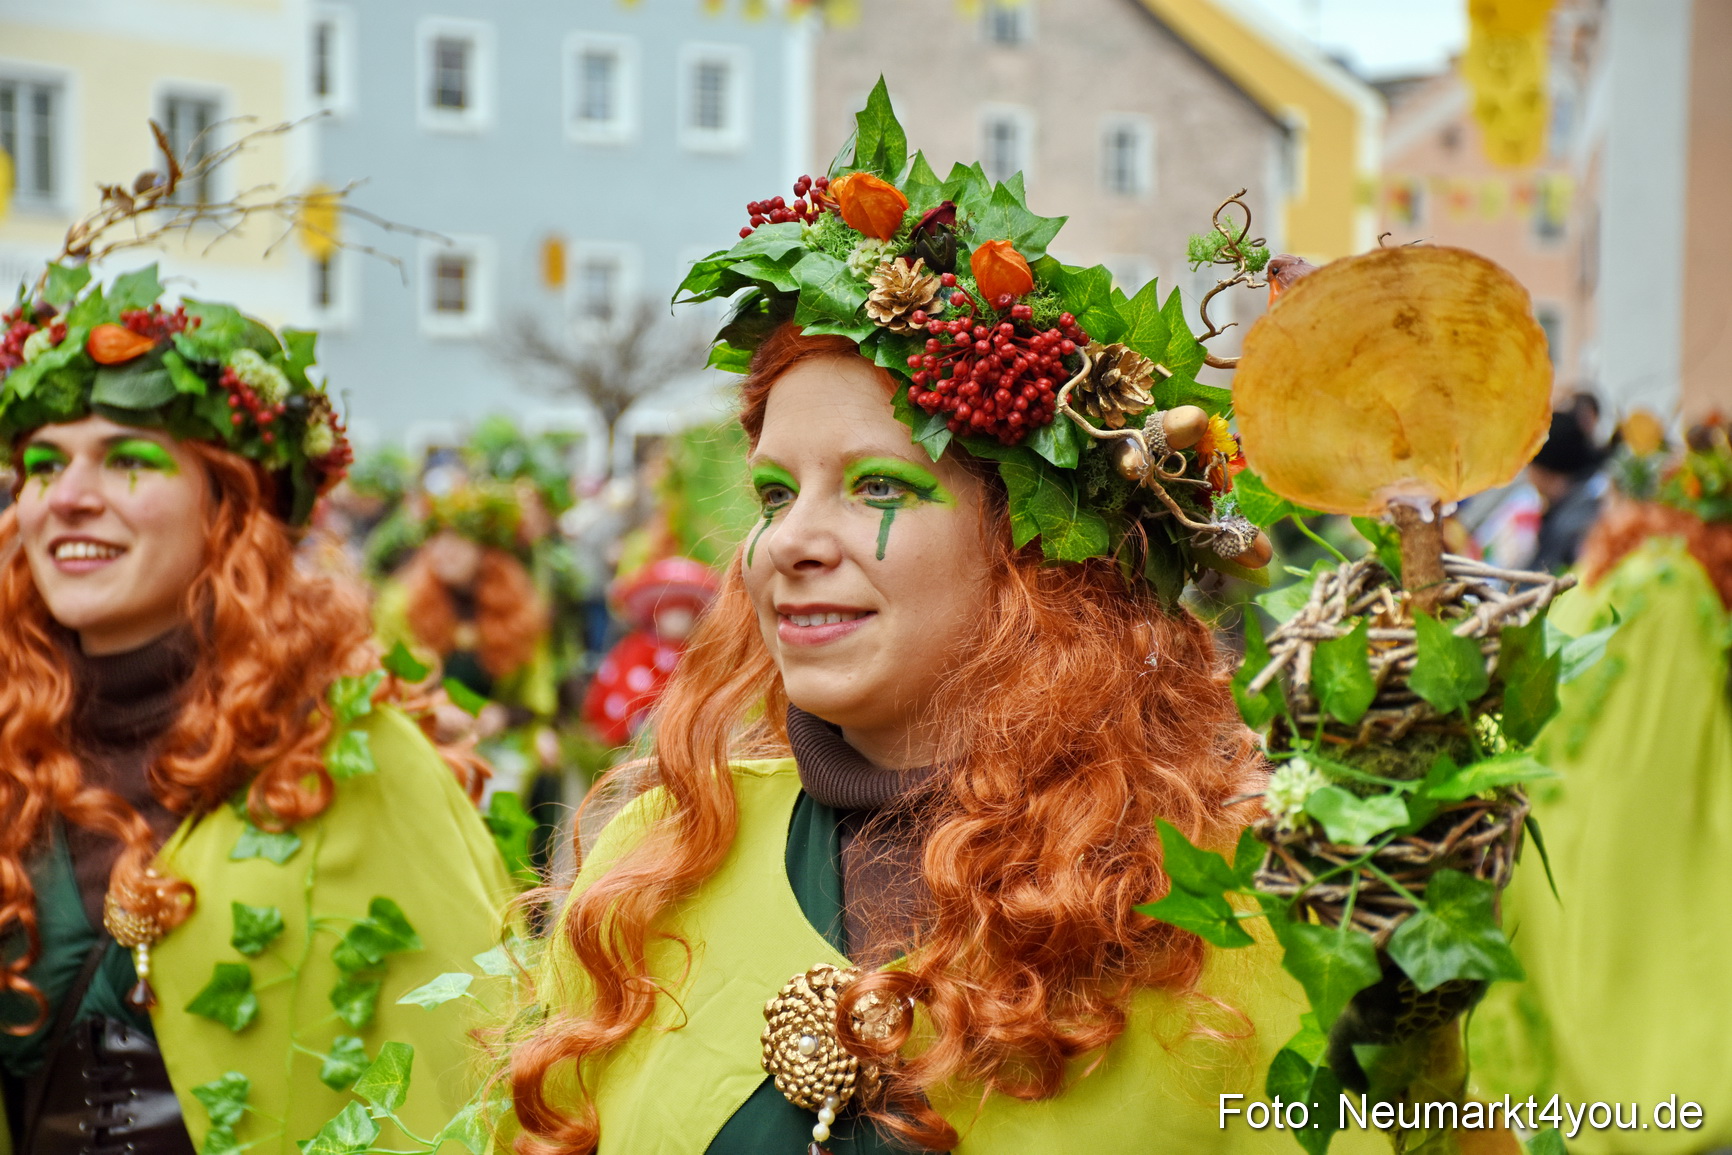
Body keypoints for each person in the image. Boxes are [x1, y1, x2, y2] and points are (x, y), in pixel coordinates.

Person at [504, 88, 1484, 1155]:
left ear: (1031, 560)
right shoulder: (663, 855)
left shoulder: (1214, 904)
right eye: (778, 494)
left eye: (878, 488)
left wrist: (1415, 1053)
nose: (791, 541)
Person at [0, 264, 512, 1155]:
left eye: (128, 458)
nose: (69, 495)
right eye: (44, 465)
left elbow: (469, 1080)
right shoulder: (11, 749)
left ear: (230, 504)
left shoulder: (357, 755)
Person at [1470, 417, 1732, 1153]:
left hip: (1542, 829)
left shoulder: (1641, 573)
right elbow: (1646, 785)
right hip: (1602, 846)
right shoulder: (1671, 594)